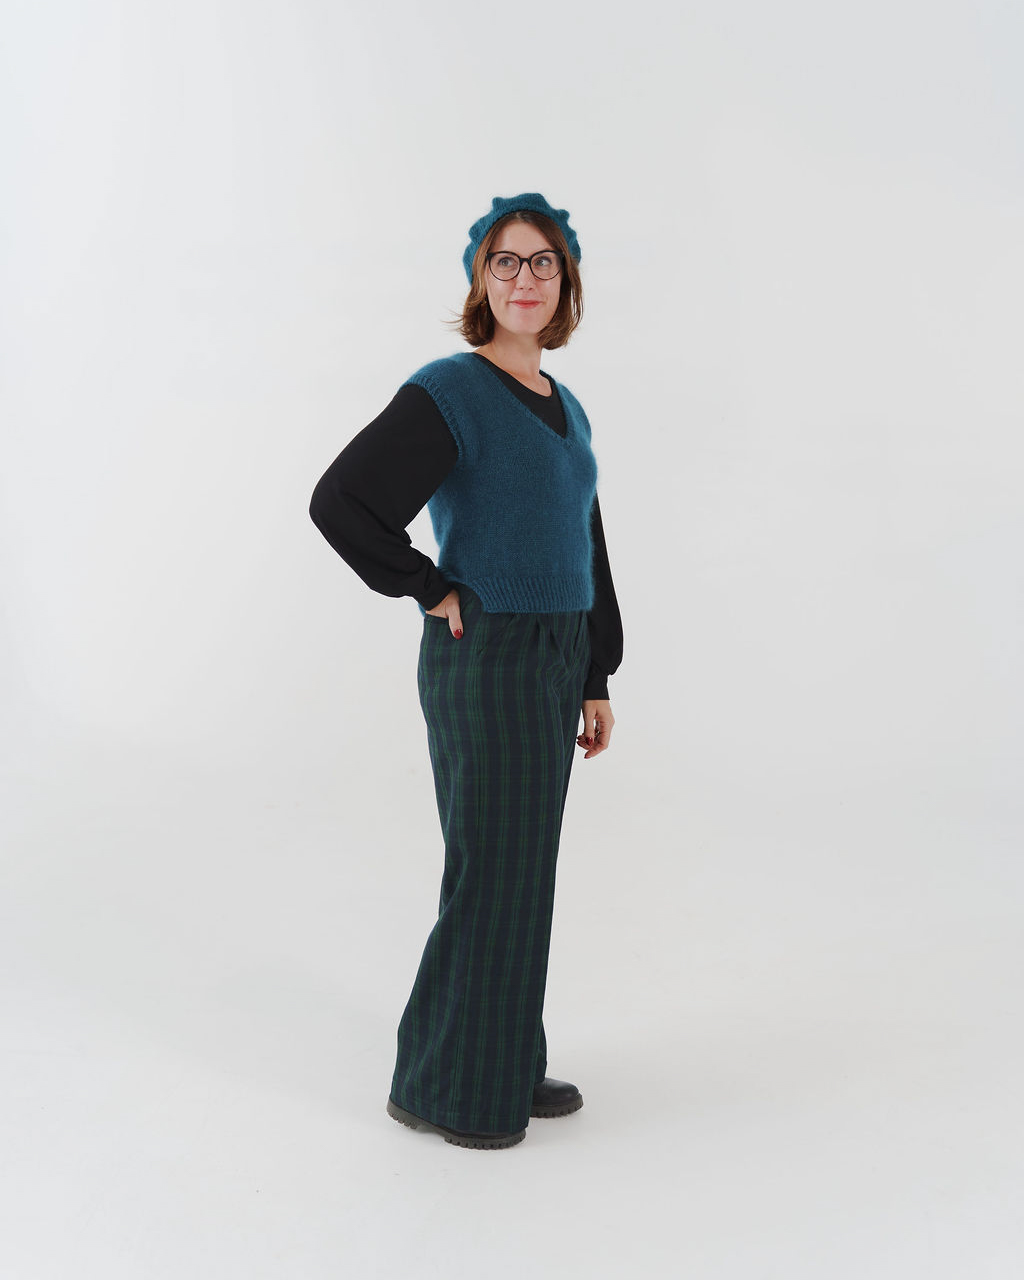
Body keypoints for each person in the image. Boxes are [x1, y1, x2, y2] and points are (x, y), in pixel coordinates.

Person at [309, 193, 623, 1150]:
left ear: (566, 282)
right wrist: (427, 584)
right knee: (492, 869)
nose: (525, 278)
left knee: (524, 872)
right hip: (487, 654)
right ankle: (444, 1089)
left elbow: (586, 543)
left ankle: (504, 1059)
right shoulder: (452, 389)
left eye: (543, 262)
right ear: (481, 280)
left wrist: (596, 673)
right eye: (506, 261)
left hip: (556, 653)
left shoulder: (566, 406)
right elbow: (341, 500)